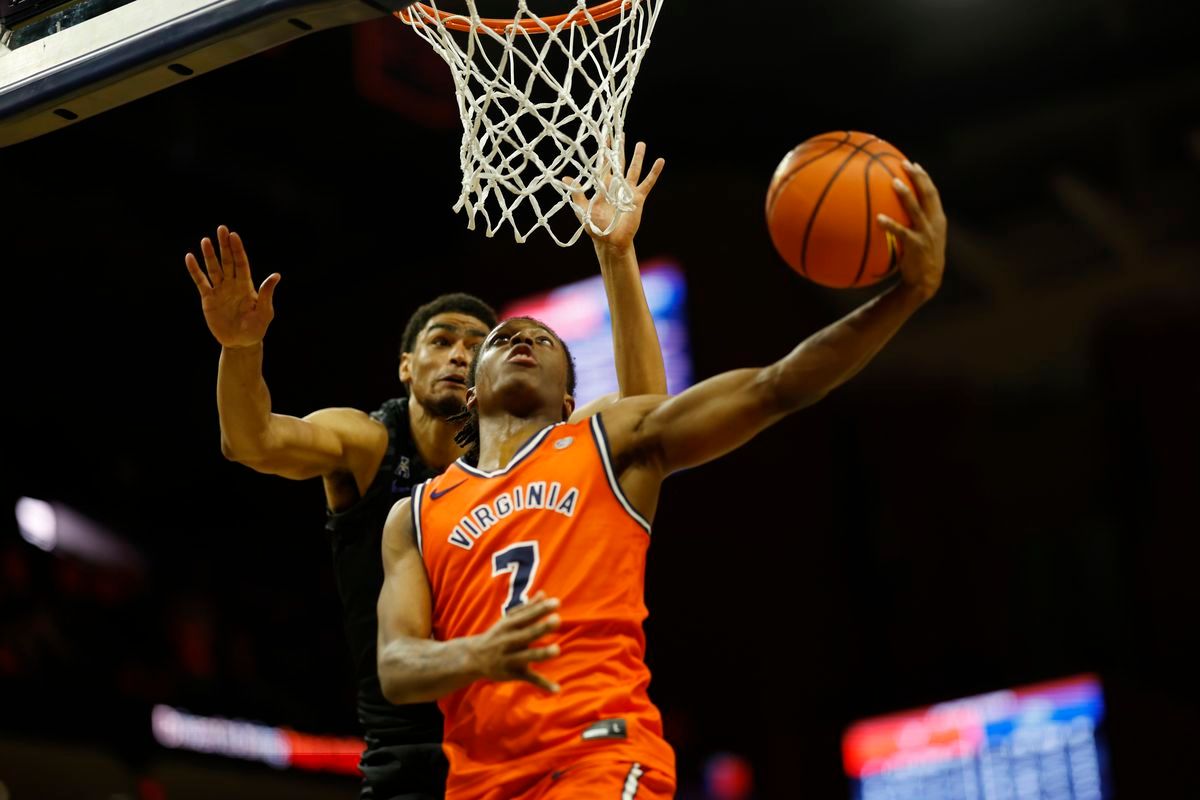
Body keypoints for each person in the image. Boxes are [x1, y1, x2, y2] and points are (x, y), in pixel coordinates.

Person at [375, 161, 948, 799]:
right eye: (505, 337)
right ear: (472, 393)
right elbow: (396, 665)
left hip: (599, 757)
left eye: (540, 340)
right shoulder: (418, 513)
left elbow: (775, 386)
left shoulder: (600, 447)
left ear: (569, 399)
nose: (520, 341)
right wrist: (475, 656)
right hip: (480, 785)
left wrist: (904, 296)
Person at [183, 144, 668, 799]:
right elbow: (253, 441)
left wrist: (617, 255)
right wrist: (241, 350)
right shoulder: (367, 441)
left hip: (528, 736)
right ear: (407, 366)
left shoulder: (538, 451)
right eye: (442, 340)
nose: (460, 353)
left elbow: (646, 414)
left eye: (478, 342)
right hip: (409, 749)